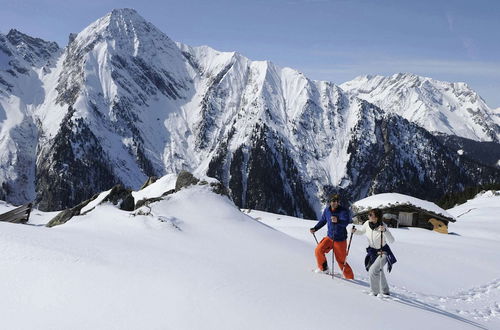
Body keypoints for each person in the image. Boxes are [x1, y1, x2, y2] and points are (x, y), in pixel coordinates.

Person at [352, 208, 397, 296]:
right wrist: (355, 231)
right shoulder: (367, 223)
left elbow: (391, 240)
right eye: (369, 214)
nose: (369, 216)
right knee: (379, 270)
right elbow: (362, 232)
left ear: (376, 217)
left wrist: (385, 231)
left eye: (371, 215)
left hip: (383, 251)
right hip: (373, 252)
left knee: (372, 271)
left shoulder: (382, 226)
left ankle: (374, 293)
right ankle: (385, 291)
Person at [309, 194, 354, 279]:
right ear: (329, 202)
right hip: (329, 238)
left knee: (341, 261)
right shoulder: (327, 211)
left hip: (340, 240)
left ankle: (350, 277)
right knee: (318, 250)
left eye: (337, 201)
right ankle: (324, 269)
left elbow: (346, 222)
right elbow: (323, 220)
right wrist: (315, 228)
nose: (335, 203)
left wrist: (338, 220)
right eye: (333, 201)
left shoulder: (343, 211)